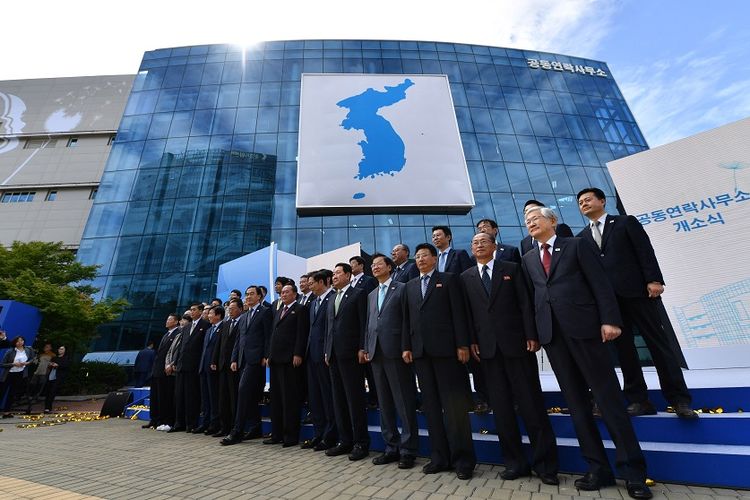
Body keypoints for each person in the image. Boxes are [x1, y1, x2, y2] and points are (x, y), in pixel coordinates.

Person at [521, 206, 652, 500]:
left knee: (608, 400)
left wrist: (610, 319)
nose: (530, 223)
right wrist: (536, 334)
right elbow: (534, 297)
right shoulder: (528, 258)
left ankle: (633, 472)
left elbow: (600, 283)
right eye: (526, 221)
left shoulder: (577, 245)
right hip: (553, 337)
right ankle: (597, 468)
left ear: (552, 221)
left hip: (586, 330)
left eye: (535, 219)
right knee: (576, 403)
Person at [576, 187, 696, 419]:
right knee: (625, 352)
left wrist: (654, 279)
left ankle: (679, 399)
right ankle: (638, 400)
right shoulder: (581, 237)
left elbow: (644, 250)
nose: (584, 204)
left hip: (639, 294)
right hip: (611, 304)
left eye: (588, 199)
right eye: (580, 202)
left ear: (602, 201)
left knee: (658, 345)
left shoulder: (624, 222)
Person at [461, 232, 559, 484]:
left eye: (484, 241)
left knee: (531, 405)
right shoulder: (467, 277)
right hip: (488, 352)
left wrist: (531, 334)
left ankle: (545, 465)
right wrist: (472, 340)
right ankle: (515, 463)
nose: (479, 245)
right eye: (474, 243)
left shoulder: (512, 269)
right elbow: (468, 315)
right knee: (502, 410)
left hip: (518, 346)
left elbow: (526, 304)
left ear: (495, 246)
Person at [402, 243, 476, 480]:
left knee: (454, 408)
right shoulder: (411, 286)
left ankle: (463, 460)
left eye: (425, 255)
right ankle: (439, 457)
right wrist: (406, 346)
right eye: (418, 256)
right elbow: (407, 320)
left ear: (435, 259)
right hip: (421, 355)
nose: (421, 259)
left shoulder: (449, 279)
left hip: (447, 353)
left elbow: (459, 312)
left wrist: (462, 344)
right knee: (431, 408)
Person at [363, 253, 418, 469]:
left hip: (396, 352)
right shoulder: (371, 294)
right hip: (376, 353)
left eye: (378, 264)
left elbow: (407, 320)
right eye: (372, 265)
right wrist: (367, 347)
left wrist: (406, 346)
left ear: (389, 267)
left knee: (403, 402)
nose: (375, 267)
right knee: (385, 403)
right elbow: (369, 323)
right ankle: (391, 447)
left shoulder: (402, 288)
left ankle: (408, 450)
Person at [324, 262, 370, 461]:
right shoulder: (332, 297)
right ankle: (345, 441)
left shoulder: (358, 294)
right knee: (339, 400)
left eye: (338, 273)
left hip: (352, 354)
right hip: (333, 355)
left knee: (354, 399)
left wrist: (362, 347)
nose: (334, 276)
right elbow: (329, 328)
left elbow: (363, 323)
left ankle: (361, 442)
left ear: (349, 275)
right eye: (333, 273)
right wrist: (327, 351)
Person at [223, 286, 272, 445]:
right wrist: (234, 359)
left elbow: (267, 336)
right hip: (242, 360)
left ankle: (236, 431)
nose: (248, 297)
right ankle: (256, 427)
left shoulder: (265, 312)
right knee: (250, 395)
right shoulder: (244, 316)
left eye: (252, 294)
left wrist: (266, 355)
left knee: (243, 392)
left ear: (259, 296)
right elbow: (239, 339)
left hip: (257, 360)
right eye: (247, 294)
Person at [265, 284, 309, 447]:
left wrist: (298, 353)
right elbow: (272, 335)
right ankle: (276, 434)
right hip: (275, 360)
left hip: (290, 360)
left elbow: (301, 333)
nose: (283, 294)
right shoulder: (278, 310)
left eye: (286, 292)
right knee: (276, 399)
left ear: (294, 294)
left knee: (289, 399)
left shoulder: (300, 309)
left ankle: (290, 436)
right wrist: (269, 355)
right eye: (281, 292)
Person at [301, 270, 337, 451]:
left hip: (325, 356)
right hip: (311, 356)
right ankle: (319, 433)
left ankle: (330, 436)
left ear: (322, 282)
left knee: (327, 397)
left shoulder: (333, 298)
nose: (309, 286)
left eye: (312, 282)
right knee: (315, 398)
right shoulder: (313, 303)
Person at [170, 303, 209, 433]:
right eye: (190, 310)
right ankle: (178, 423)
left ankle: (191, 423)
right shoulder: (186, 328)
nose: (191, 312)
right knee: (179, 395)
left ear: (201, 311)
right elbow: (181, 347)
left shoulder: (205, 326)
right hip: (181, 366)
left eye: (194, 310)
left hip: (194, 366)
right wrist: (175, 362)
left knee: (192, 396)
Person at [144, 314, 180, 429]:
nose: (167, 321)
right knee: (155, 396)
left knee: (165, 397)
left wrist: (170, 364)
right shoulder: (166, 334)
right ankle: (154, 419)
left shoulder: (177, 334)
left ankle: (164, 420)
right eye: (167, 319)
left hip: (166, 370)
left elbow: (173, 352)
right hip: (157, 370)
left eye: (170, 320)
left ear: (176, 322)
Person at [212, 299, 241, 437]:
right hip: (223, 364)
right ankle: (224, 427)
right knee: (223, 397)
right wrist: (214, 360)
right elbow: (219, 343)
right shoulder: (226, 323)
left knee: (233, 397)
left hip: (235, 365)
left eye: (233, 308)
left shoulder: (243, 322)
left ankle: (235, 427)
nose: (230, 311)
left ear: (240, 309)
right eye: (229, 308)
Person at [194, 306, 222, 434]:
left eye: (211, 313)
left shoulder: (223, 328)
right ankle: (205, 423)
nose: (208, 316)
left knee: (213, 397)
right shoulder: (209, 330)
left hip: (214, 368)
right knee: (205, 398)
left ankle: (214, 424)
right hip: (203, 368)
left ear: (219, 315)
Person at [1, 336, 34, 417]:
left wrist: (27, 363)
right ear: (15, 343)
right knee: (2, 392)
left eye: (22, 340)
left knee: (12, 393)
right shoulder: (10, 351)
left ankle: (7, 412)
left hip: (20, 374)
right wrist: (13, 364)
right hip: (9, 374)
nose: (20, 342)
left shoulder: (28, 349)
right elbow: (2, 364)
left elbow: (32, 358)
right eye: (18, 341)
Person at [44, 345, 70, 414]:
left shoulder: (66, 358)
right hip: (51, 376)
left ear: (65, 350)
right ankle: (47, 407)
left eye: (62, 349)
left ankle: (48, 408)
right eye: (59, 349)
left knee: (52, 392)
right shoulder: (54, 358)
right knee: (48, 392)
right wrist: (51, 364)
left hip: (58, 377)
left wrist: (57, 365)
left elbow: (65, 366)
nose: (60, 350)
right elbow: (50, 365)